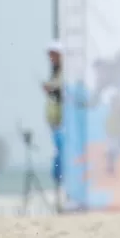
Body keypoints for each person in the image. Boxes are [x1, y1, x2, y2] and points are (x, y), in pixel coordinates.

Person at [42, 41, 64, 186]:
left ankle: (62, 183)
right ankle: (59, 183)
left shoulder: (64, 72)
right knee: (58, 152)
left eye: (54, 55)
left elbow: (64, 94)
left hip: (63, 121)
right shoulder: (55, 72)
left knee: (62, 153)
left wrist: (52, 90)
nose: (51, 58)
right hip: (55, 121)